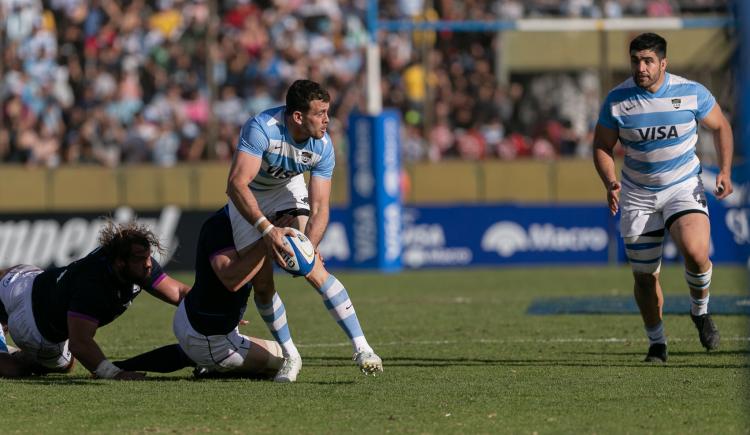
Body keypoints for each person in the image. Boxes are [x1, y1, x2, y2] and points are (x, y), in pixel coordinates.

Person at [224, 79, 382, 382]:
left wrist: (309, 245)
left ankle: (362, 348)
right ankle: (291, 355)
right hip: (249, 198)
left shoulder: (323, 145)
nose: (327, 120)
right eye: (320, 113)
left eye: (328, 112)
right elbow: (236, 184)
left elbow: (321, 207)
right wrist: (267, 230)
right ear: (298, 116)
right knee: (263, 284)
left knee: (314, 268)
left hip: (287, 190)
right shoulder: (262, 128)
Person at [593, 33, 734, 363]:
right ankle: (657, 342)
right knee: (644, 277)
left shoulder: (691, 93)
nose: (640, 68)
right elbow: (602, 145)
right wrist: (610, 180)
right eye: (635, 61)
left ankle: (699, 312)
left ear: (663, 63)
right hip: (638, 194)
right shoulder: (617, 100)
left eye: (647, 61)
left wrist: (725, 170)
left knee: (697, 253)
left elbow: (721, 126)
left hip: (682, 186)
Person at [0, 221, 190, 379]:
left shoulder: (136, 266)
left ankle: (12, 353)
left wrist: (211, 306)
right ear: (120, 263)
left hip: (34, 308)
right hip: (30, 310)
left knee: (62, 366)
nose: (148, 264)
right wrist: (115, 373)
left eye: (148, 257)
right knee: (16, 369)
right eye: (141, 259)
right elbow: (79, 343)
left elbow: (179, 293)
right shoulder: (93, 285)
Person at [113, 206, 286, 379]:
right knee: (283, 362)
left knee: (192, 352)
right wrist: (267, 240)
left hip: (189, 316)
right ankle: (211, 368)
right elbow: (239, 283)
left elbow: (181, 291)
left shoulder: (224, 224)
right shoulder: (226, 229)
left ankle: (119, 367)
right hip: (212, 342)